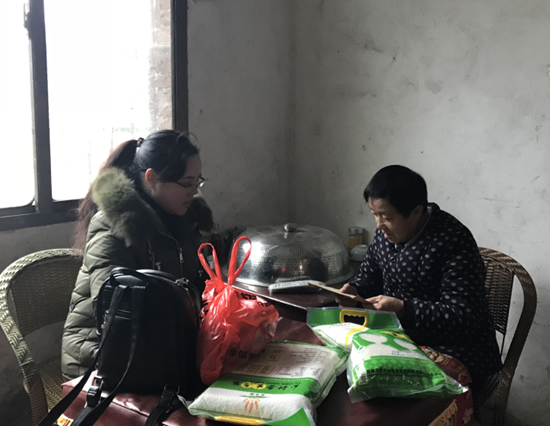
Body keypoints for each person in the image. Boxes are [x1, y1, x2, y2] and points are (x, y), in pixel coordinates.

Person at [337, 165, 502, 399]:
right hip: (400, 339)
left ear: (416, 212)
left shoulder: (453, 240)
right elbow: (369, 275)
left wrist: (405, 309)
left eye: (387, 217)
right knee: (345, 371)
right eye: (375, 214)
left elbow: (464, 316)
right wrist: (354, 290)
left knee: (397, 399)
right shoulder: (385, 234)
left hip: (458, 349)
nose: (379, 225)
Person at [62, 130, 213, 380]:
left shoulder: (184, 220)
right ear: (151, 178)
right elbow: (115, 312)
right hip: (103, 358)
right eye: (187, 183)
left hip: (162, 346)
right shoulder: (114, 225)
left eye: (198, 181)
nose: (194, 191)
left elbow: (196, 286)